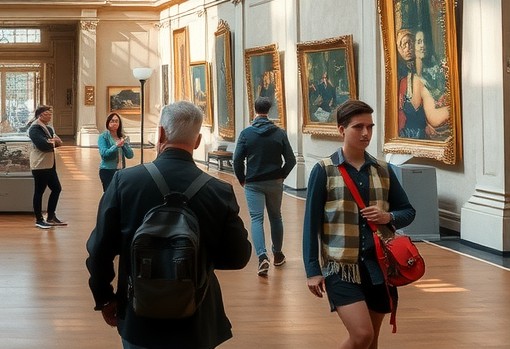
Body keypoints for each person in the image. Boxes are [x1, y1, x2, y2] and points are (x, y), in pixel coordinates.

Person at [86, 100, 251, 349]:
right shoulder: (219, 191)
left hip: (138, 314)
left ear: (160, 133)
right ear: (196, 142)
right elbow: (238, 257)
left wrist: (105, 298)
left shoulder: (124, 182)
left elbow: (99, 249)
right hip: (198, 319)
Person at [303, 99, 416, 349]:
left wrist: (388, 217)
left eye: (370, 127)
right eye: (358, 127)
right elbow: (311, 223)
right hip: (341, 268)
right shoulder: (324, 170)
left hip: (380, 267)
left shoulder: (384, 170)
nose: (366, 133)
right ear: (341, 130)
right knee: (362, 335)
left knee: (372, 341)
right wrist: (312, 270)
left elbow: (408, 211)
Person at [233, 95, 296, 278]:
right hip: (274, 182)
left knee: (256, 219)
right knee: (276, 217)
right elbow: (291, 160)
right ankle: (277, 254)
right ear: (269, 110)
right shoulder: (279, 133)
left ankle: (262, 257)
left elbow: (237, 159)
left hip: (253, 183)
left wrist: (242, 179)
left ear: (255, 109)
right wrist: (281, 176)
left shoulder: (246, 134)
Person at [28, 104, 65, 228]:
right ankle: (39, 219)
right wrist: (51, 142)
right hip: (40, 165)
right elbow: (43, 145)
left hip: (50, 164)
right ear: (40, 114)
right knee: (39, 191)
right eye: (47, 114)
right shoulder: (34, 129)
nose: (49, 116)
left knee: (56, 188)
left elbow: (59, 142)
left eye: (50, 114)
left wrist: (52, 142)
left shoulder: (48, 128)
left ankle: (51, 216)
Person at [97, 112, 134, 191]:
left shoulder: (123, 137)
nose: (114, 123)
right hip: (107, 170)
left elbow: (130, 155)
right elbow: (104, 154)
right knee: (109, 194)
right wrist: (116, 146)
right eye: (112, 121)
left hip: (121, 171)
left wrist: (124, 145)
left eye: (116, 121)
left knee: (120, 194)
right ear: (108, 123)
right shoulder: (103, 137)